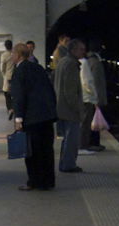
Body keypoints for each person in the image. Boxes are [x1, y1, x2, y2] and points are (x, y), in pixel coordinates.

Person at [9, 43, 58, 191]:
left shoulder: (19, 71)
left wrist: (18, 119)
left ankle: (34, 181)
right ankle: (48, 181)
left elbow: (19, 96)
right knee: (47, 150)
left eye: (13, 54)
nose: (11, 56)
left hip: (31, 118)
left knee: (32, 152)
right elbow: (51, 91)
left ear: (18, 55)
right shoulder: (38, 68)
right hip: (47, 116)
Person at [53, 38, 86, 172]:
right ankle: (68, 165)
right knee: (72, 139)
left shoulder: (62, 62)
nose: (84, 52)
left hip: (61, 106)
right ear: (73, 50)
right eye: (81, 49)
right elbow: (70, 91)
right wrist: (78, 109)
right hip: (69, 109)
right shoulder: (71, 65)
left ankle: (65, 164)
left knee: (67, 138)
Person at [80, 39, 109, 150]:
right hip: (92, 98)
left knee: (91, 120)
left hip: (89, 97)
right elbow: (94, 82)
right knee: (91, 121)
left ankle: (92, 143)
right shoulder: (95, 62)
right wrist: (96, 98)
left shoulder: (89, 61)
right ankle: (92, 143)